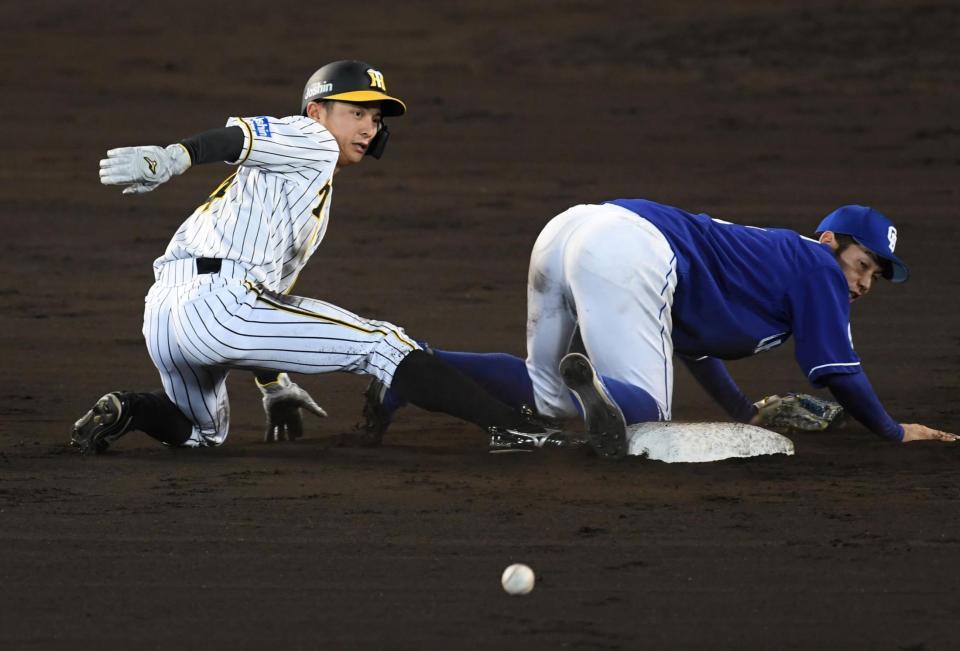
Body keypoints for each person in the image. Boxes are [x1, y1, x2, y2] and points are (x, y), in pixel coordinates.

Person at [71, 60, 613, 454]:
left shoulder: (299, 194)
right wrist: (176, 155)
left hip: (167, 316)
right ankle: (513, 427)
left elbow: (267, 305)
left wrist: (273, 384)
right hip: (217, 303)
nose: (369, 127)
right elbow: (239, 137)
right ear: (317, 110)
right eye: (356, 111)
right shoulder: (312, 139)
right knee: (382, 343)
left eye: (376, 119)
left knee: (200, 433)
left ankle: (130, 409)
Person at [361, 200, 958, 457]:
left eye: (876, 276)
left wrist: (744, 411)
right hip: (630, 248)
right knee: (646, 417)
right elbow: (836, 371)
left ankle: (412, 370)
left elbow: (693, 345)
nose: (863, 283)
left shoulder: (775, 263)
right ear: (832, 243)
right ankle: (607, 397)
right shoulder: (816, 270)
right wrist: (891, 430)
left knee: (545, 395)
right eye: (862, 265)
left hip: (573, 229)